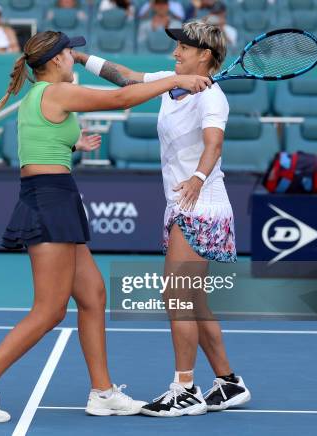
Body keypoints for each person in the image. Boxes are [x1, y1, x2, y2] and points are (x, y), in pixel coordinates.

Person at [0, 30, 211, 423]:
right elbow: (121, 98)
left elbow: (38, 142)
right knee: (50, 310)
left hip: (58, 194)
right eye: (70, 52)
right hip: (49, 200)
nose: (73, 57)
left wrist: (74, 146)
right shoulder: (55, 93)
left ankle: (102, 392)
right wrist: (177, 80)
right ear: (56, 60)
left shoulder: (43, 97)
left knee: (92, 295)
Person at [72, 20, 251, 417]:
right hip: (184, 202)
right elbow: (127, 78)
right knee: (194, 299)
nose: (176, 53)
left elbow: (214, 143)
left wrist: (198, 178)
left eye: (183, 48)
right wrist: (82, 58)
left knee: (177, 296)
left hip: (199, 204)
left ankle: (184, 388)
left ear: (204, 54)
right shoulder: (172, 82)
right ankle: (228, 382)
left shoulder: (213, 99)